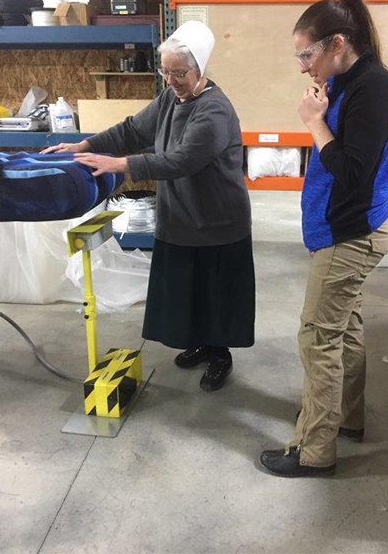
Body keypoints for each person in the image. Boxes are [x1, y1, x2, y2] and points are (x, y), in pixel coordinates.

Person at [41, 21, 254, 392]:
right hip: (180, 217)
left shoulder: (215, 111)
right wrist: (83, 146)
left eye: (179, 72)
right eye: (166, 71)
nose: (170, 80)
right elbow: (131, 130)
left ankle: (221, 354)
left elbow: (182, 161)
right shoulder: (171, 98)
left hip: (218, 220)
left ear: (200, 69)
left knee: (216, 293)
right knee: (187, 290)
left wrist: (122, 165)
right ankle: (202, 343)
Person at [259, 0, 388, 477]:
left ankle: (315, 451)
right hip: (342, 230)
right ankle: (347, 420)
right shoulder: (347, 80)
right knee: (345, 331)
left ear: (337, 42)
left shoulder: (373, 88)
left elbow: (352, 172)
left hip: (349, 236)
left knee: (318, 337)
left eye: (307, 54)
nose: (303, 66)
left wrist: (314, 123)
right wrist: (324, 107)